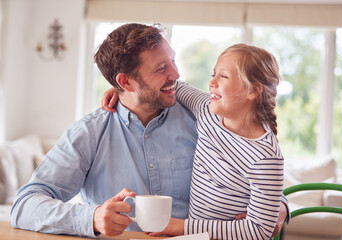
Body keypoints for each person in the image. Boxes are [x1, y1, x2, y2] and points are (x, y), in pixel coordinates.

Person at [11, 23, 287, 238]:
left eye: (173, 61)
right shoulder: (90, 133)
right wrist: (91, 218)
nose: (177, 75)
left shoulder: (204, 116)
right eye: (161, 68)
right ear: (126, 82)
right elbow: (25, 206)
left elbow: (258, 180)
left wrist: (279, 211)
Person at [102, 43, 284, 239]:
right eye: (212, 75)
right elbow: (173, 86)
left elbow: (259, 230)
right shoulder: (206, 110)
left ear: (253, 90)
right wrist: (124, 90)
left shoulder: (266, 156)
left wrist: (183, 228)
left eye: (223, 76)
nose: (212, 83)